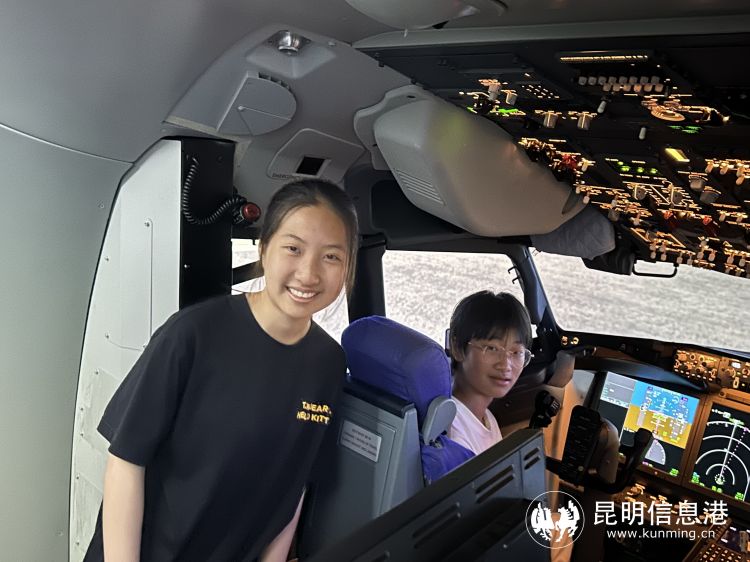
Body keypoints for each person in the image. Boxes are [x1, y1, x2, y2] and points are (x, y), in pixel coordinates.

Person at [84, 178, 359, 562]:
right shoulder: (194, 334)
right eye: (293, 249)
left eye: (331, 256)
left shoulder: (329, 362)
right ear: (264, 248)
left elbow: (295, 485)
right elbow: (126, 461)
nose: (309, 273)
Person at [447, 291, 533, 455]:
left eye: (516, 352)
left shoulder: (485, 417)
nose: (505, 365)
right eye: (492, 348)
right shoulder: (455, 436)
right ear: (457, 348)